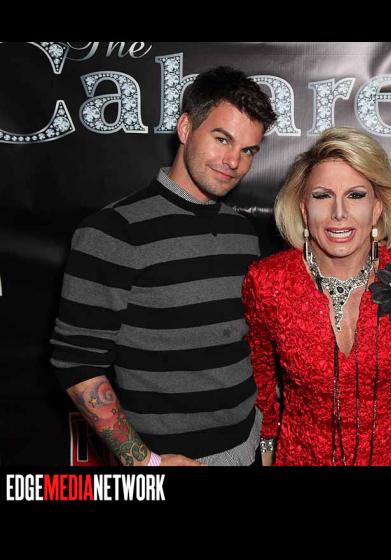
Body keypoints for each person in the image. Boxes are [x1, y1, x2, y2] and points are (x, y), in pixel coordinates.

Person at [50, 66, 277, 466]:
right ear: (186, 128)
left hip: (249, 446)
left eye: (248, 151)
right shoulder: (113, 231)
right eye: (222, 139)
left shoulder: (242, 231)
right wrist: (142, 462)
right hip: (171, 460)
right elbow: (77, 363)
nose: (233, 161)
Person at [242, 127, 391, 466]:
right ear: (304, 209)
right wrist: (265, 453)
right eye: (322, 196)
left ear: (377, 207)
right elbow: (261, 384)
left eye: (355, 195)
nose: (339, 212)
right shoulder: (268, 282)